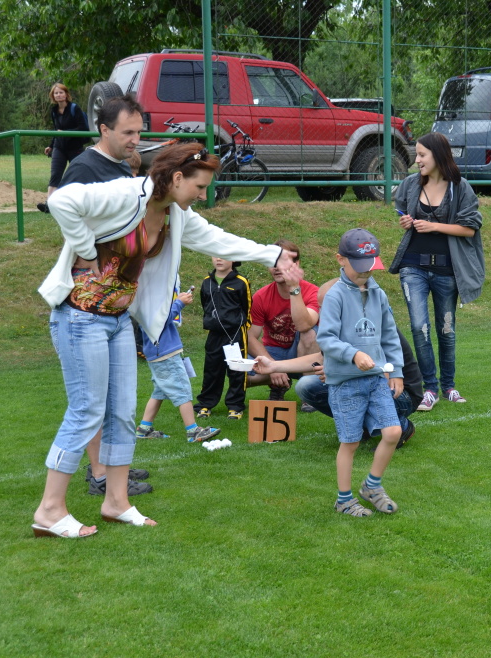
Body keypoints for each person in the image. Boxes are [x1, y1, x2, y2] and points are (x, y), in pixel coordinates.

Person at [30, 142, 297, 538]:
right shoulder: (128, 193)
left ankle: (116, 502)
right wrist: (85, 249)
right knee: (87, 411)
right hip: (79, 317)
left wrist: (273, 255)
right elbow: (62, 200)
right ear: (176, 178)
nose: (202, 195)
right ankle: (50, 510)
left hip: (119, 320)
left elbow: (218, 239)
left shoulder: (176, 214)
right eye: (199, 187)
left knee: (123, 412)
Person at [56, 94, 153, 497]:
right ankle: (98, 474)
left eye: (139, 132)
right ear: (104, 129)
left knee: (115, 400)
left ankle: (112, 470)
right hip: (86, 304)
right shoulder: (84, 167)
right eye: (128, 132)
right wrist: (89, 251)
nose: (135, 140)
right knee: (92, 402)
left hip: (114, 304)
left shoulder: (121, 166)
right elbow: (63, 211)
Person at [254, 277, 422, 448]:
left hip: (400, 393)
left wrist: (337, 373)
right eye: (320, 307)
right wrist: (273, 366)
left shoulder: (369, 327)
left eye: (326, 306)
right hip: (367, 385)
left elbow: (381, 376)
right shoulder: (341, 327)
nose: (322, 313)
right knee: (306, 386)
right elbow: (319, 358)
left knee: (348, 387)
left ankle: (401, 426)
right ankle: (363, 426)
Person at [391, 131, 485, 411]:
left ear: (438, 155)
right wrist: (406, 221)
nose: (417, 160)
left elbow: (469, 228)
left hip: (447, 269)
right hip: (412, 267)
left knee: (447, 329)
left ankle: (449, 386)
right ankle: (429, 388)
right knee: (419, 327)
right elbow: (400, 211)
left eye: (422, 155)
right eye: (417, 155)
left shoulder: (461, 187)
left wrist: (433, 226)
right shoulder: (410, 184)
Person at [316, 228, 404, 518]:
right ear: (341, 259)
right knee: (350, 442)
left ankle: (371, 486)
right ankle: (343, 500)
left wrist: (396, 370)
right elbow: (326, 339)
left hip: (377, 378)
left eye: (370, 265)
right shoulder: (335, 296)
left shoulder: (378, 294)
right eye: (359, 265)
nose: (365, 272)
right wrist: (353, 354)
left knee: (393, 432)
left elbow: (390, 334)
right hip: (345, 383)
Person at [135, 285, 220, 442]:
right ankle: (193, 431)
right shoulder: (148, 302)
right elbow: (161, 321)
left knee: (159, 391)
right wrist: (179, 303)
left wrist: (177, 301)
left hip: (158, 353)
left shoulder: (144, 301)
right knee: (182, 390)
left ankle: (144, 429)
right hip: (165, 354)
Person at [246, 239, 320, 404]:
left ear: (296, 264)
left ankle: (308, 393)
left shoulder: (312, 292)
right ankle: (278, 384)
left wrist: (294, 288)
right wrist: (273, 367)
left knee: (309, 334)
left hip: (303, 354)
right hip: (274, 352)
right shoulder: (261, 296)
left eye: (282, 262)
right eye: (272, 262)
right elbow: (250, 337)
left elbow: (304, 325)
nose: (276, 267)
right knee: (239, 375)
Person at [195, 257, 251, 420]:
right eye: (215, 255)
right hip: (214, 334)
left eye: (224, 255)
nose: (219, 259)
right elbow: (205, 304)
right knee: (211, 370)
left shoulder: (241, 282)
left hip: (235, 334)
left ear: (234, 259)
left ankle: (235, 406)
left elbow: (247, 307)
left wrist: (241, 327)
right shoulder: (207, 282)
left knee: (237, 371)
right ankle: (205, 404)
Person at [37, 83, 89, 213]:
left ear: (66, 94)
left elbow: (83, 128)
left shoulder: (74, 108)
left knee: (77, 175)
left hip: (75, 147)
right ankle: (49, 205)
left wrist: (65, 132)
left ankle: (79, 204)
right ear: (53, 96)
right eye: (56, 93)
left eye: (61, 92)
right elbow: (57, 130)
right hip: (59, 147)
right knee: (55, 174)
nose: (58, 95)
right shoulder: (54, 111)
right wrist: (51, 145)